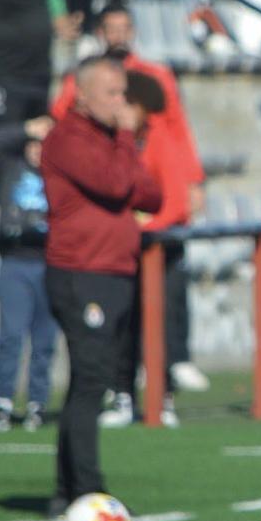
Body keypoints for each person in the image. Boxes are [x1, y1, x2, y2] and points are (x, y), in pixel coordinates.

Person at [51, 3, 211, 395]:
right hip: (107, 219)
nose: (118, 35)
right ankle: (121, 381)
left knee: (169, 285)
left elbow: (178, 128)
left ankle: (175, 361)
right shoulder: (82, 82)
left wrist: (193, 181)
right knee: (122, 302)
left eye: (125, 28)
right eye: (111, 28)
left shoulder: (155, 79)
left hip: (151, 198)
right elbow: (64, 118)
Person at [40, 55, 162, 518]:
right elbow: (116, 186)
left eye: (123, 94)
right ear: (82, 95)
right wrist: (128, 141)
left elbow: (152, 193)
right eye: (112, 94)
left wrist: (125, 150)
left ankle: (65, 488)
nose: (121, 104)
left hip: (113, 271)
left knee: (88, 383)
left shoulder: (111, 142)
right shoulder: (68, 138)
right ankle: (88, 489)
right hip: (81, 272)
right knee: (90, 379)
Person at [100, 71, 192, 429]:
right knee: (122, 323)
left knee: (161, 323)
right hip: (123, 249)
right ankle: (122, 395)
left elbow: (176, 203)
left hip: (159, 250)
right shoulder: (112, 139)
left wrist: (144, 228)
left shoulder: (159, 138)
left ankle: (163, 397)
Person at [0, 115, 59, 433]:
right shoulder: (11, 168)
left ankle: (37, 403)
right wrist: (27, 127)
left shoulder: (61, 174)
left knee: (44, 339)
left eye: (46, 145)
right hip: (15, 262)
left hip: (50, 263)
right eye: (35, 144)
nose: (39, 151)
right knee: (11, 335)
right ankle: (3, 403)